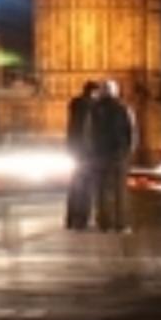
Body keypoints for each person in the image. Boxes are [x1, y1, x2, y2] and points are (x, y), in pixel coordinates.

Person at [92, 78, 137, 231]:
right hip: (120, 154)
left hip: (99, 154)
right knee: (120, 190)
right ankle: (122, 224)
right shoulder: (125, 108)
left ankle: (104, 223)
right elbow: (132, 132)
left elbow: (89, 132)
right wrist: (129, 151)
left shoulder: (94, 109)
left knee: (102, 189)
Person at [63, 79, 100, 230]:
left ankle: (71, 219)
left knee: (75, 186)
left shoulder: (75, 105)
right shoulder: (90, 107)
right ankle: (82, 219)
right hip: (87, 152)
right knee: (86, 187)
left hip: (74, 149)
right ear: (93, 92)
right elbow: (87, 130)